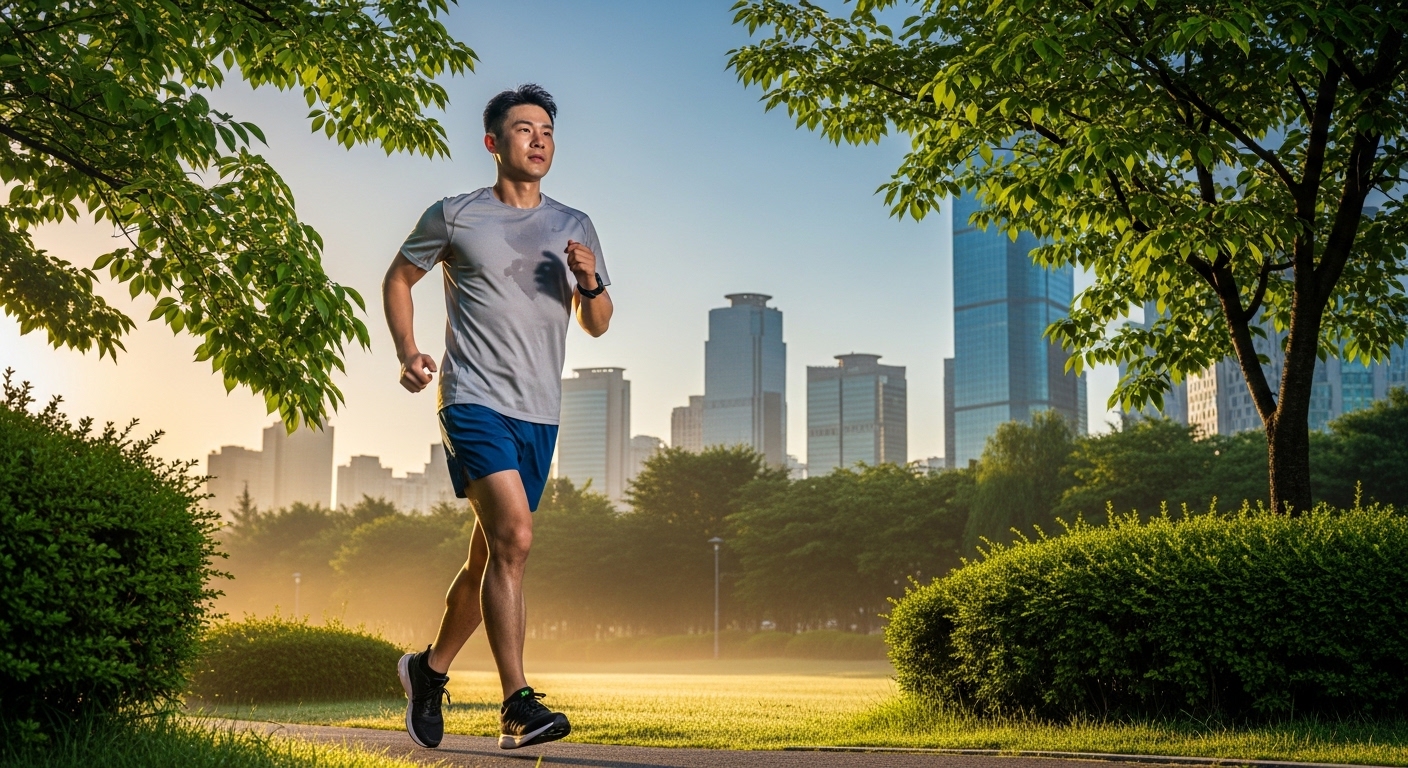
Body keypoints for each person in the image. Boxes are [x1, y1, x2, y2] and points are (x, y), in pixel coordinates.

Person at [381, 83, 613, 750]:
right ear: (493, 142)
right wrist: (407, 351)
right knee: (515, 537)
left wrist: (590, 280)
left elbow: (596, 324)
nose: (538, 140)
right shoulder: (456, 216)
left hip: (539, 413)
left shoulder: (575, 225)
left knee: (490, 553)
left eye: (546, 130)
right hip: (472, 398)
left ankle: (427, 671)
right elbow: (399, 277)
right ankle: (516, 704)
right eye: (523, 129)